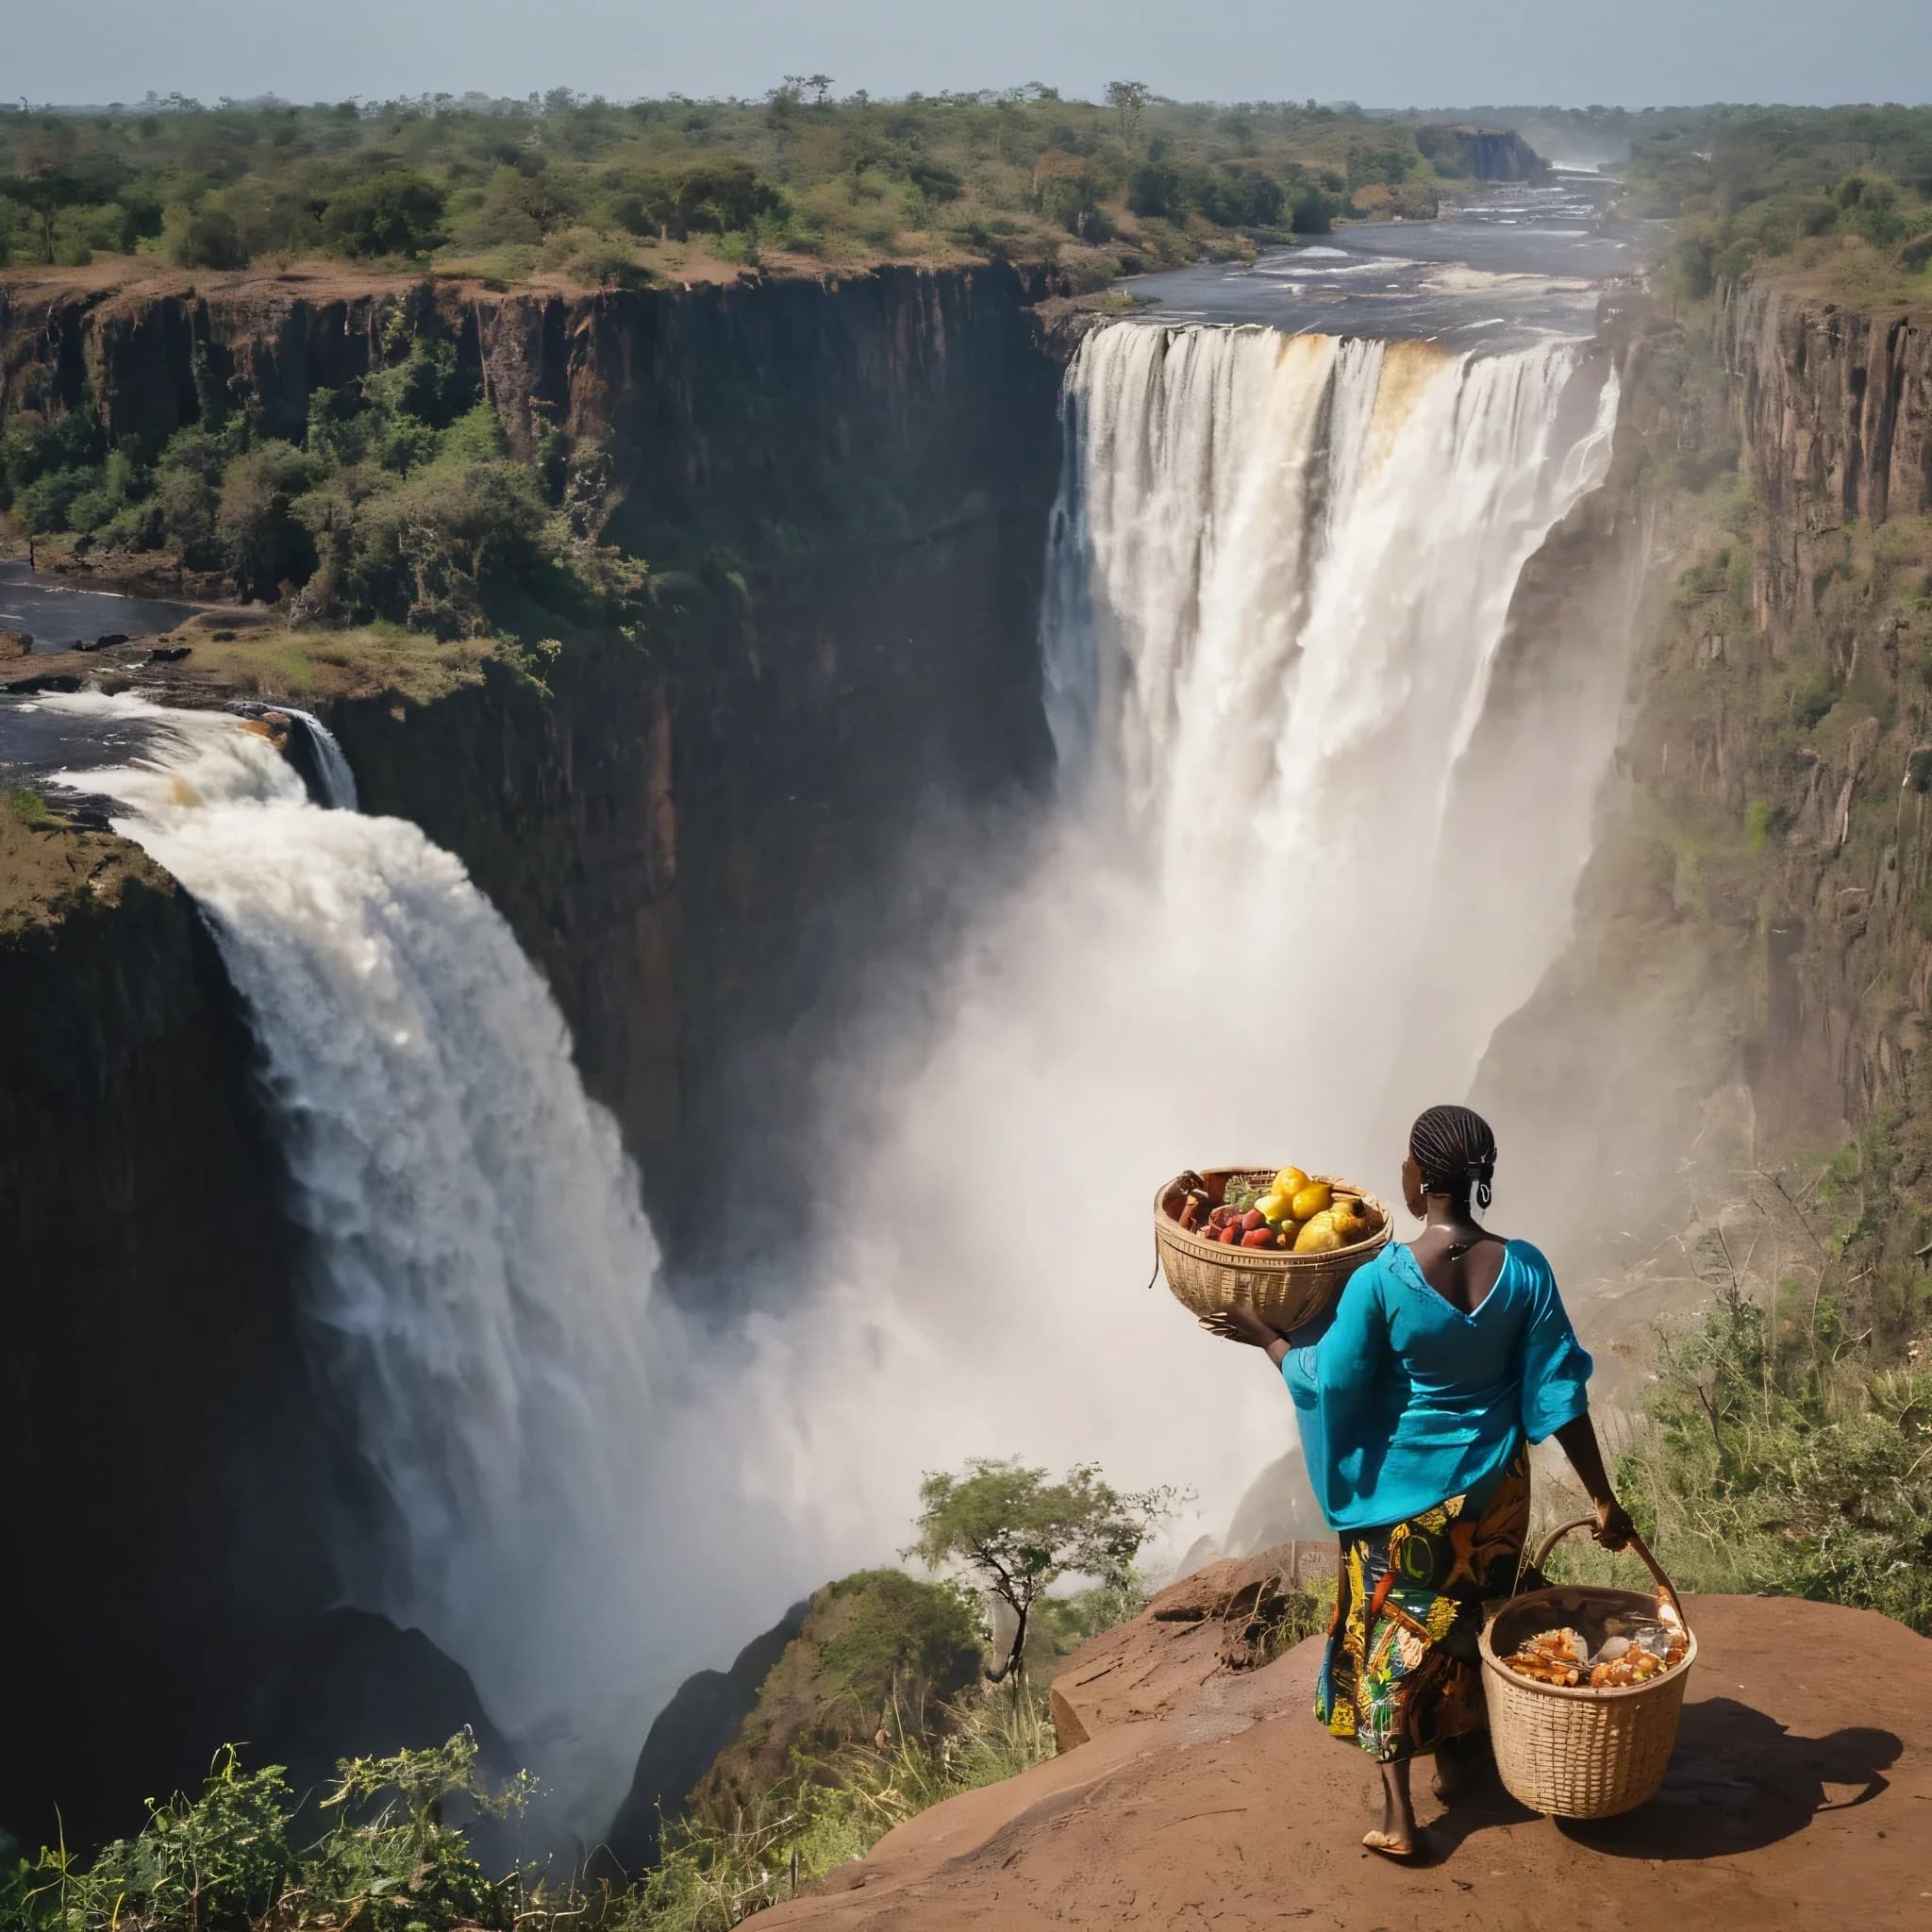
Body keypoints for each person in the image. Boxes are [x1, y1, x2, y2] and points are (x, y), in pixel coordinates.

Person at [1206, 1104, 1635, 1859]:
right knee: (1476, 1617)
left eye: (1406, 1164)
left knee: (1394, 1635)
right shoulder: (1526, 1267)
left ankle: (1399, 1815)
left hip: (1405, 1501)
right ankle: (1462, 1762)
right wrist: (1603, 1495)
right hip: (1497, 1491)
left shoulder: (1383, 1281)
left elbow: (1330, 1383)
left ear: (1419, 1177)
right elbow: (1562, 1394)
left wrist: (1265, 1336)